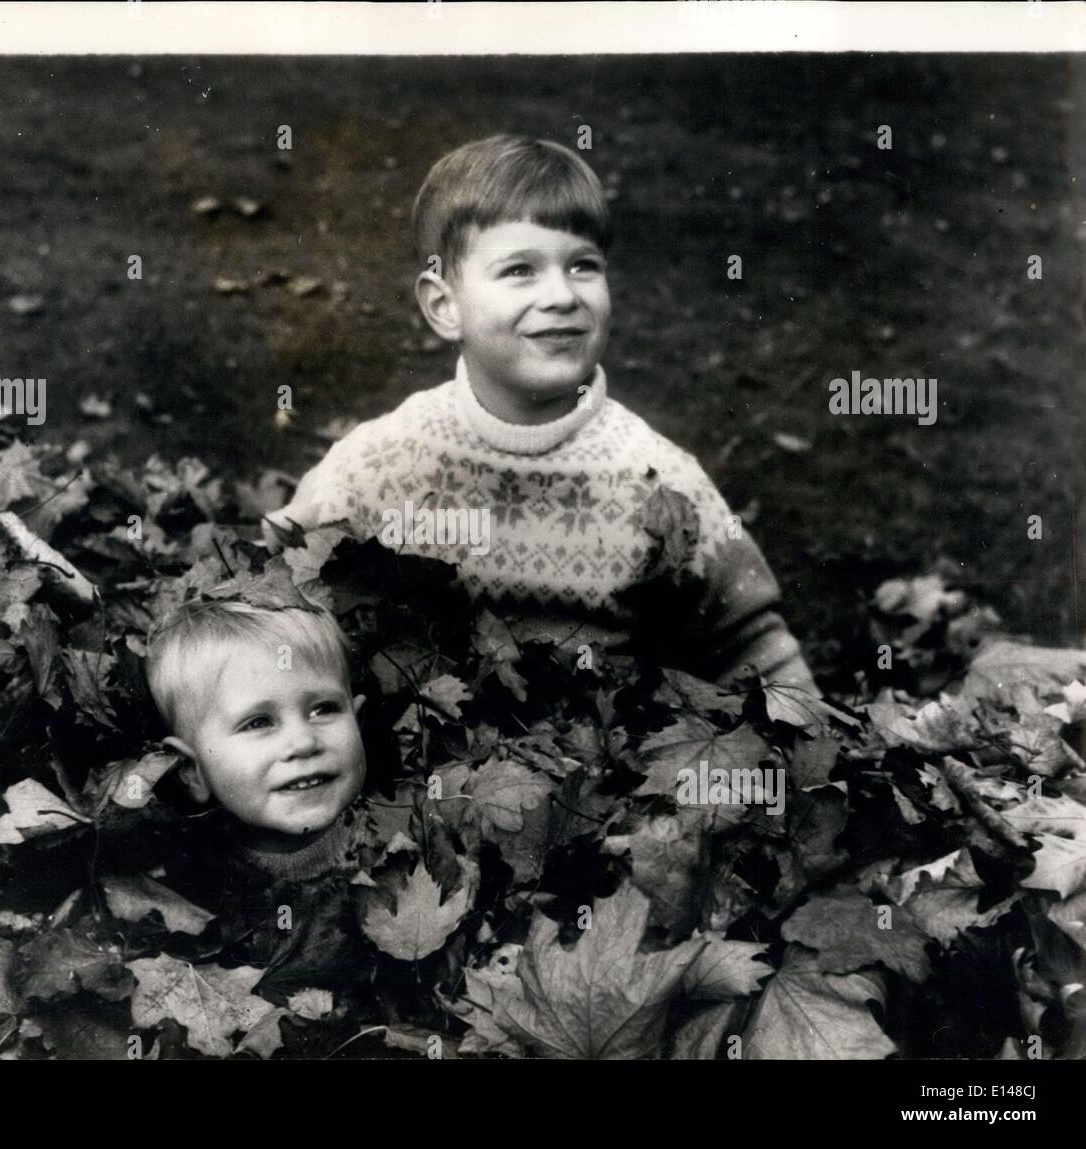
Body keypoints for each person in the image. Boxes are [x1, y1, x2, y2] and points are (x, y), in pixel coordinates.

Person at [264, 134, 818, 694]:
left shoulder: (661, 485)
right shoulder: (380, 465)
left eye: (582, 266)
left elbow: (753, 651)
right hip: (420, 758)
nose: (560, 295)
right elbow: (277, 589)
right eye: (520, 271)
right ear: (444, 306)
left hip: (602, 763)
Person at [143, 596, 373, 998]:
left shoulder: (405, 842)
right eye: (258, 722)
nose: (303, 742)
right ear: (192, 771)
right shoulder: (194, 895)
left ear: (359, 719)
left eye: (323, 709)